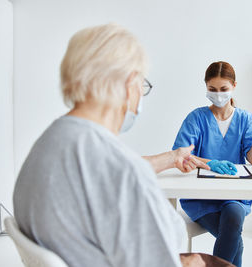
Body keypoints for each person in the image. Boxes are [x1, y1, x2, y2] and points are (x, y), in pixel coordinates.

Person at [13, 23, 228, 267]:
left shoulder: (49, 143)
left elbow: (104, 172)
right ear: (129, 85)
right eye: (142, 84)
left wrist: (171, 158)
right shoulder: (120, 171)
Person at [172, 61, 252, 267]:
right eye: (212, 89)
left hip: (234, 196)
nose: (218, 94)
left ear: (234, 86)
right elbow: (180, 155)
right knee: (235, 241)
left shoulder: (245, 119)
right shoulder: (196, 118)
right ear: (206, 87)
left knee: (233, 214)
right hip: (201, 198)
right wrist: (209, 163)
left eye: (224, 89)